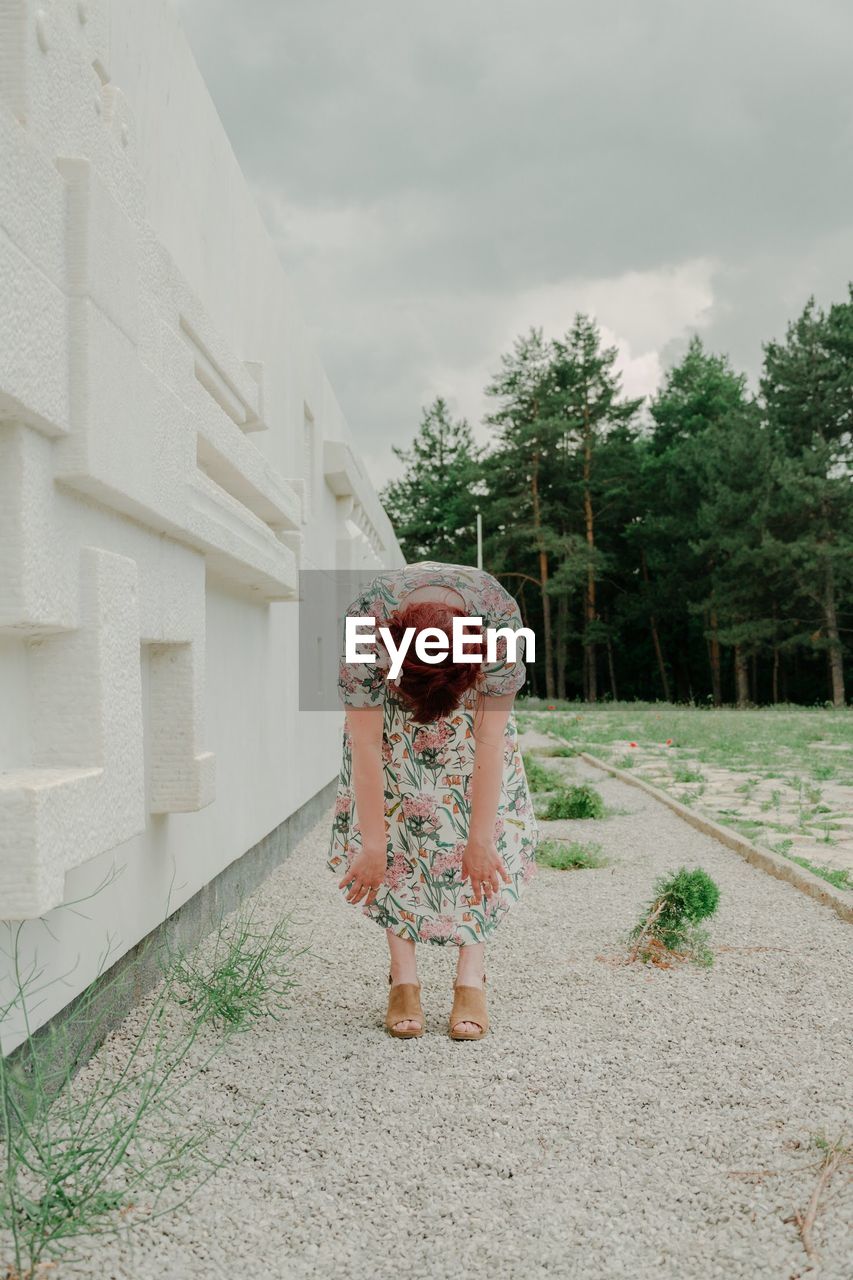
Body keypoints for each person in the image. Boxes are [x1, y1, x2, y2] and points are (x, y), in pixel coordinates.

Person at [326, 561, 538, 1040]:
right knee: (402, 822)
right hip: (391, 725)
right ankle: (403, 977)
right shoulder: (366, 626)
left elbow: (489, 738)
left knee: (482, 840)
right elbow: (364, 744)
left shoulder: (498, 624)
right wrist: (375, 845)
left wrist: (479, 840)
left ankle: (471, 974)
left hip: (469, 715)